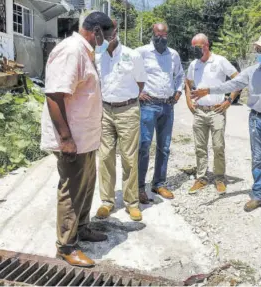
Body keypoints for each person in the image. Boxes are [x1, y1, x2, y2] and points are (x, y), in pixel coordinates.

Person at [40, 12, 114, 267]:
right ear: (96, 31)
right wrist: (65, 138)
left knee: (86, 186)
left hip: (86, 138)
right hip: (73, 139)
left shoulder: (85, 51)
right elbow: (54, 96)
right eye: (108, 34)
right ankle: (66, 246)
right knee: (71, 190)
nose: (109, 40)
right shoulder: (72, 50)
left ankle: (82, 228)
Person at [192, 34, 261, 218]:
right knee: (257, 159)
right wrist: (209, 90)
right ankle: (258, 194)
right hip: (256, 119)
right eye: (257, 49)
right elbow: (232, 83)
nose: (258, 52)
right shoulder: (251, 71)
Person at [95, 21, 147, 221]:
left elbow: (140, 83)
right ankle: (107, 201)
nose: (106, 36)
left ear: (116, 32)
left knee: (129, 157)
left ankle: (131, 203)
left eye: (109, 31)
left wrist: (127, 99)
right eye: (102, 32)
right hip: (105, 111)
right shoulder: (99, 57)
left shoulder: (132, 55)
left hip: (127, 110)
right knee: (105, 156)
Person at [135, 23, 184, 201]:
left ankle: (158, 184)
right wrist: (138, 92)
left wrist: (178, 92)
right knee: (144, 146)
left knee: (164, 147)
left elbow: (179, 75)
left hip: (167, 106)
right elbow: (129, 74)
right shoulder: (141, 52)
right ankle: (139, 187)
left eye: (164, 35)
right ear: (152, 33)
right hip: (148, 105)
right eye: (158, 35)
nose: (161, 38)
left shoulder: (173, 54)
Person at [185, 33, 238, 195]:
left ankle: (219, 178)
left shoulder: (220, 61)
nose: (195, 51)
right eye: (193, 47)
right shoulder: (194, 64)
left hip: (217, 111)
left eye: (198, 47)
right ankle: (201, 177)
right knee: (200, 147)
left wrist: (229, 101)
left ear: (207, 45)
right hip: (200, 111)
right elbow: (188, 82)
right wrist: (189, 101)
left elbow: (238, 79)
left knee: (218, 146)